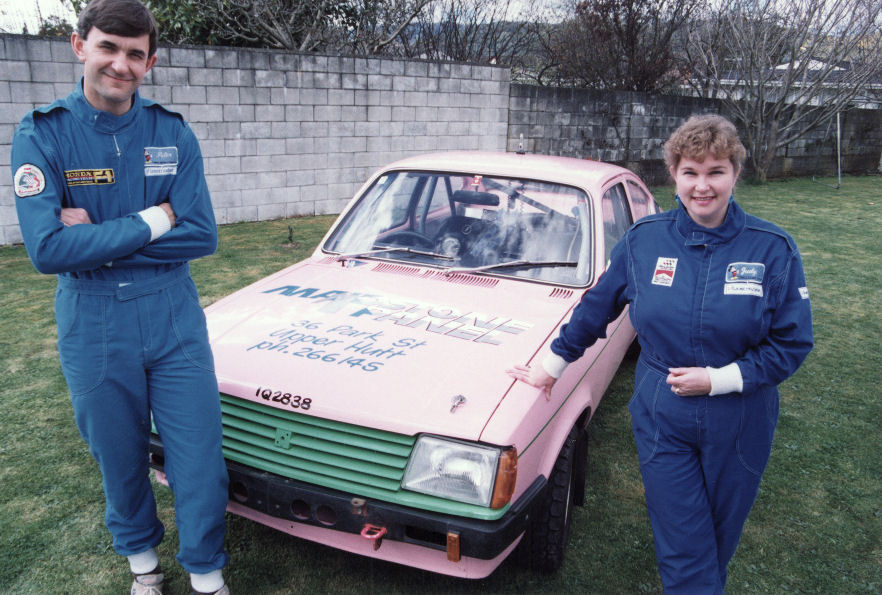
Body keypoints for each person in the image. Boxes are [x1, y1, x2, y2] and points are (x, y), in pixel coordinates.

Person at [508, 114, 813, 593]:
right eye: (691, 172)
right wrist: (551, 367)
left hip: (741, 419)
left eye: (716, 171)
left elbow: (792, 342)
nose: (703, 186)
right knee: (685, 546)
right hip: (662, 412)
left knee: (716, 537)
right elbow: (595, 308)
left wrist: (719, 380)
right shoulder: (645, 240)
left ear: (735, 173)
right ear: (674, 174)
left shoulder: (773, 249)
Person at [10, 1, 229, 593]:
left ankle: (208, 577)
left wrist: (94, 236)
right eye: (108, 47)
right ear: (79, 46)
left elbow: (203, 234)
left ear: (150, 61)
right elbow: (48, 252)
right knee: (119, 455)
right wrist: (157, 219)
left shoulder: (170, 131)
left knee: (199, 457)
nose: (120, 64)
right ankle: (144, 570)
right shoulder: (42, 133)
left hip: (174, 314)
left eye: (135, 54)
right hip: (93, 317)